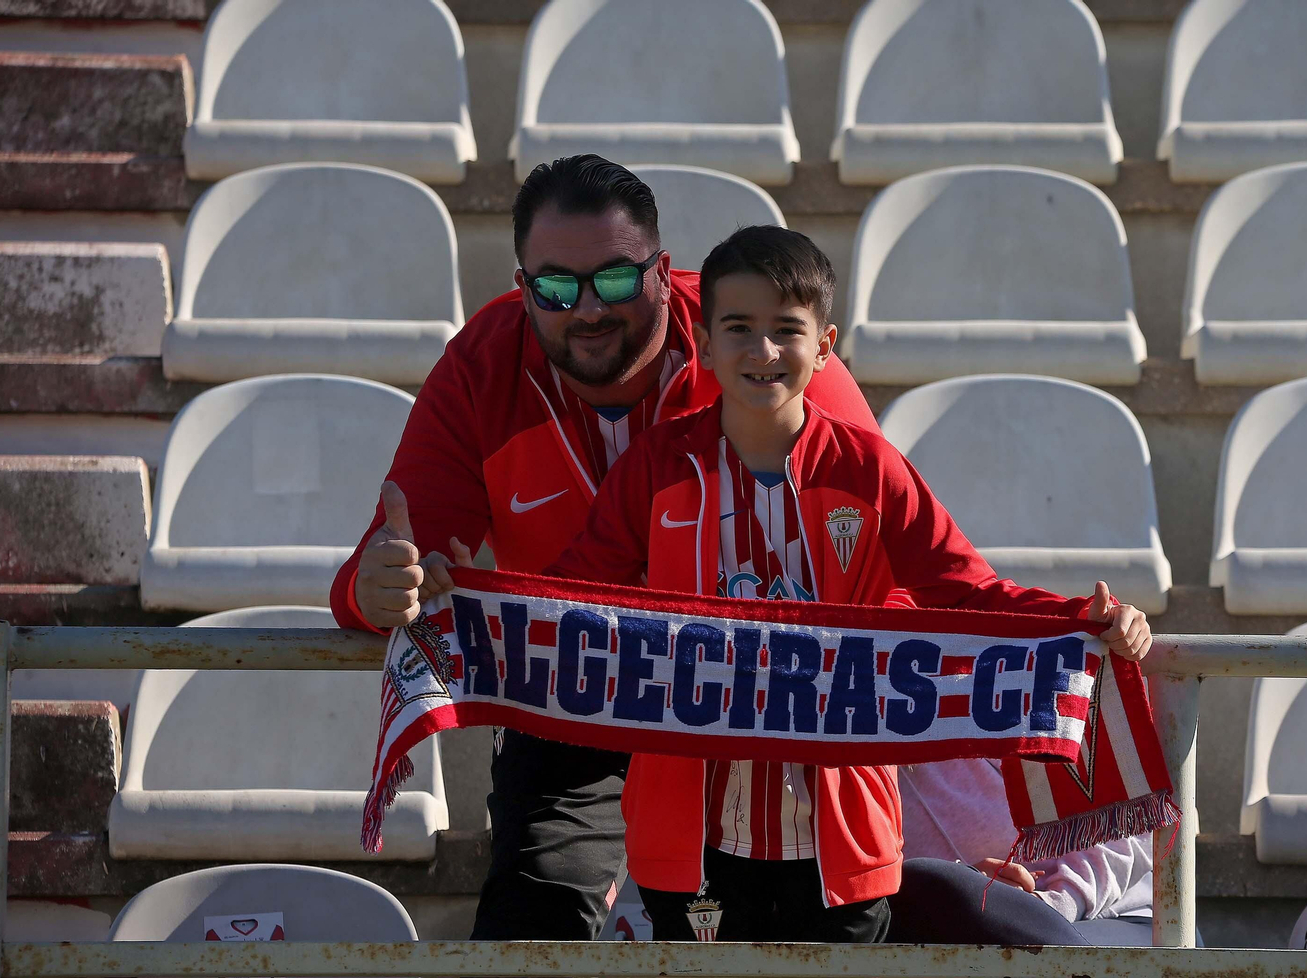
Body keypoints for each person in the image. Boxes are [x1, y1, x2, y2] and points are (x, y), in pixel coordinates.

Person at [534, 225, 1152, 941]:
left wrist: (1081, 618)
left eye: (785, 330)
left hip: (843, 838)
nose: (762, 351)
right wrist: (464, 603)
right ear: (703, 345)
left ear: (824, 347)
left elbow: (963, 589)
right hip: (691, 842)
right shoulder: (656, 467)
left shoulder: (870, 470)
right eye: (738, 328)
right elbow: (569, 596)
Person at [331, 155, 881, 940]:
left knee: (768, 944)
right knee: (531, 928)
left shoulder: (752, 340)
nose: (587, 308)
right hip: (575, 691)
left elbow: (893, 547)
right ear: (522, 288)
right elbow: (383, 563)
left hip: (747, 704)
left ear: (663, 273)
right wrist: (377, 589)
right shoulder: (483, 365)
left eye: (616, 281)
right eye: (556, 287)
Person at [888, 757, 1155, 946]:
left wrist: (1055, 902)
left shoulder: (1055, 684)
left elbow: (1133, 815)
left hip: (1115, 914)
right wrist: (970, 884)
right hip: (960, 930)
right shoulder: (860, 727)